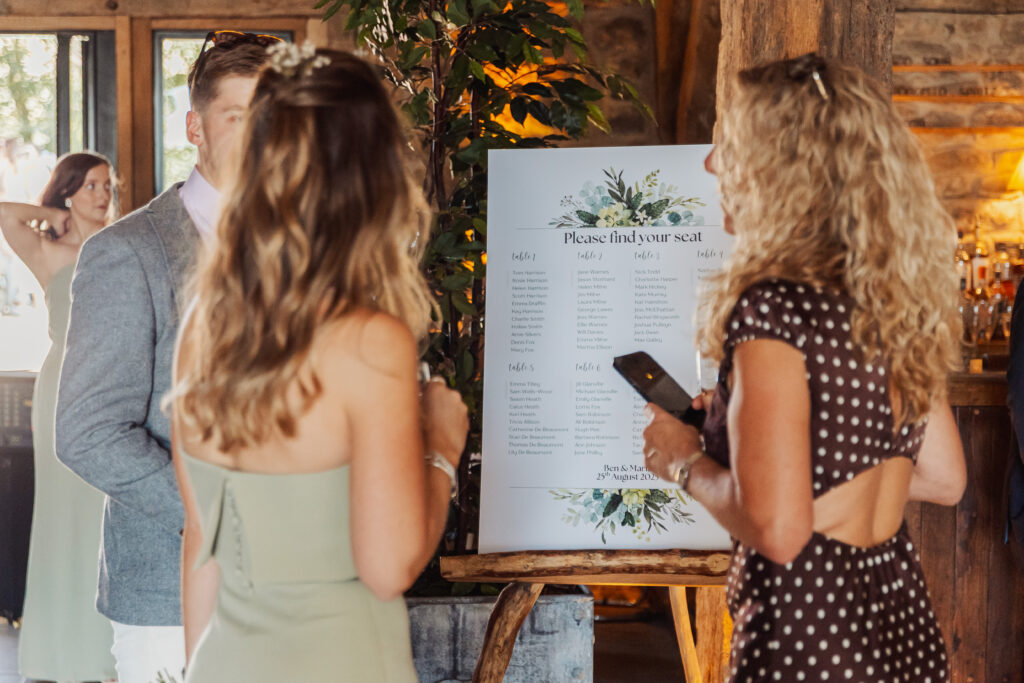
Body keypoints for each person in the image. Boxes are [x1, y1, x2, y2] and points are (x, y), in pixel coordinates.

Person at [641, 53, 967, 682]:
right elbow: (945, 477)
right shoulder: (888, 297)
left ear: (780, 169)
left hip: (809, 639)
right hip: (900, 631)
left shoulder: (772, 308)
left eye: (729, 142)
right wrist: (774, 457)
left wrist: (685, 457)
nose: (711, 163)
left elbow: (779, 531)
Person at [166, 46, 468, 682]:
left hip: (222, 663)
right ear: (372, 174)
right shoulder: (369, 342)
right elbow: (388, 568)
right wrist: (440, 449)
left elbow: (203, 541)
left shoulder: (204, 325)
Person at [54, 32, 272, 683]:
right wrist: (223, 516)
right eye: (240, 117)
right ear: (195, 127)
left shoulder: (303, 247)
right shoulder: (130, 251)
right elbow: (88, 431)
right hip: (166, 600)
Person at [0, 152, 118, 682]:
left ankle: (105, 653)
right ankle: (55, 654)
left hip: (114, 390)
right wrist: (55, 218)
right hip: (61, 391)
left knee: (104, 521)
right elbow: (4, 214)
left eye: (107, 184)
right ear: (69, 190)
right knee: (59, 520)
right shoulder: (49, 253)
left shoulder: (125, 244)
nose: (102, 193)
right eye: (90, 184)